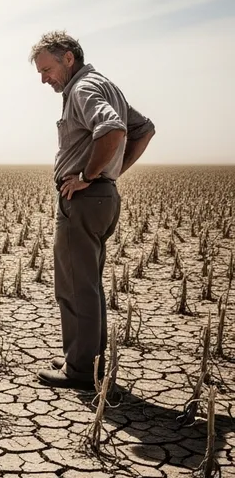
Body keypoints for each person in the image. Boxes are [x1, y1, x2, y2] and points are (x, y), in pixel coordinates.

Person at [30, 31, 156, 390]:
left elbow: (114, 128)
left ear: (68, 57)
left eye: (47, 69)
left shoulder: (84, 88)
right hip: (102, 197)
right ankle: (83, 357)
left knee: (74, 286)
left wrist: (89, 175)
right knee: (87, 284)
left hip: (84, 201)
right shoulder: (104, 84)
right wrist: (109, 175)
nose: (44, 79)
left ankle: (82, 369)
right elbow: (143, 129)